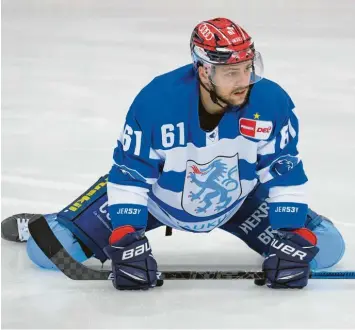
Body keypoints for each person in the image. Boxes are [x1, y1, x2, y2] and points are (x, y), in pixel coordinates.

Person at [2, 18, 345, 290]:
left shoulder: (271, 102)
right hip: (156, 201)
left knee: (328, 248)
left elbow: (283, 170)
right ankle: (56, 219)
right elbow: (132, 174)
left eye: (247, 67)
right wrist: (125, 236)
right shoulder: (156, 101)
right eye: (231, 72)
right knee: (49, 251)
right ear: (203, 70)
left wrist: (292, 234)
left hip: (237, 203)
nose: (244, 80)